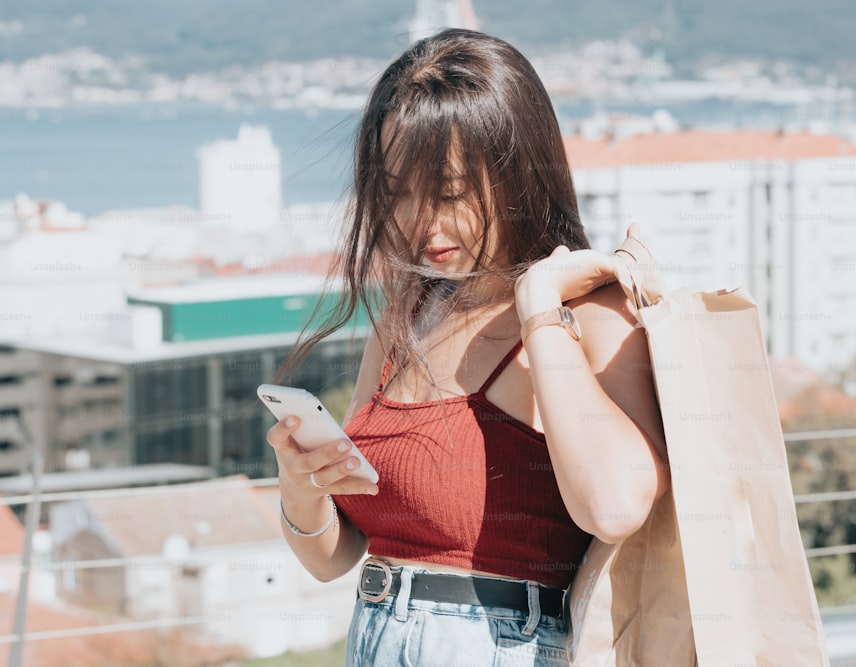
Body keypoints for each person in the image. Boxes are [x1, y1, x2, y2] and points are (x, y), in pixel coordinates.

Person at [266, 28, 670, 666]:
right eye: (397, 192)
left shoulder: (587, 315)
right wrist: (300, 486)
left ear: (517, 172)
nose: (421, 221)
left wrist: (538, 305)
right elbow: (340, 554)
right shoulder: (408, 310)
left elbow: (615, 506)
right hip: (374, 639)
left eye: (449, 193)